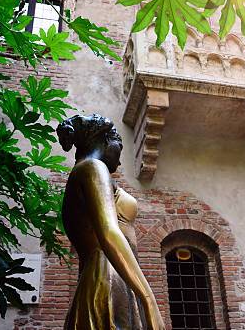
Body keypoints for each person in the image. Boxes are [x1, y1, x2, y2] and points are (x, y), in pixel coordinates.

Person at [56, 114, 165, 330]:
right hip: (108, 275)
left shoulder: (84, 170)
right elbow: (109, 233)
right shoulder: (92, 167)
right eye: (119, 146)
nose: (120, 158)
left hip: (113, 275)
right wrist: (149, 300)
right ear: (107, 140)